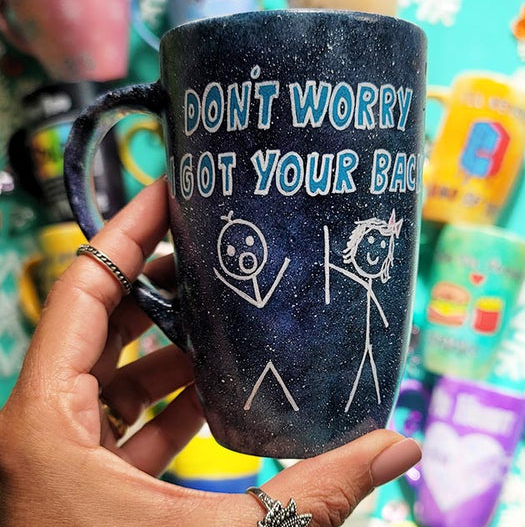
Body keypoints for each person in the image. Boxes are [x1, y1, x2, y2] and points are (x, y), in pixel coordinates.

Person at [0, 178, 421, 526]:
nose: (243, 258)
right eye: (235, 253)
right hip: (255, 378)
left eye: (248, 251)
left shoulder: (343, 286)